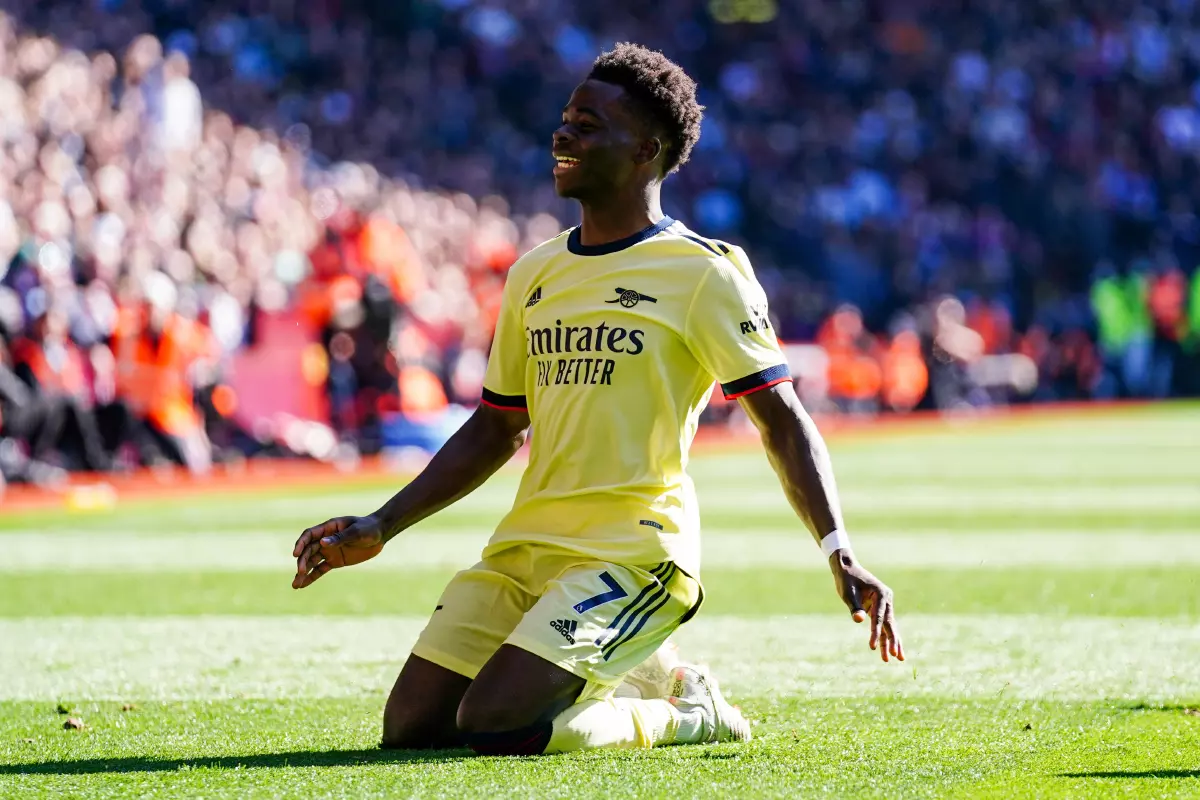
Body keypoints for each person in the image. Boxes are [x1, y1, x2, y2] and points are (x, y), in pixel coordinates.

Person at [292, 43, 903, 757]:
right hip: (525, 548)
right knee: (413, 731)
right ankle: (641, 670)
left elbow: (783, 422)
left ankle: (688, 715)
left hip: (634, 555)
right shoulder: (534, 274)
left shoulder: (703, 274)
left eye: (587, 125)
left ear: (646, 149)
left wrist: (839, 550)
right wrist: (381, 523)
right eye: (564, 120)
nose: (562, 136)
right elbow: (495, 429)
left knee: (496, 725)